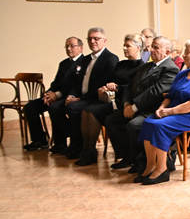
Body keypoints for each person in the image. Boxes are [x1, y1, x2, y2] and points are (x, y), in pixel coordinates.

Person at [136, 39, 190, 185]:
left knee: (159, 126)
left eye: (188, 53)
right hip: (174, 112)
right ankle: (150, 165)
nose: (183, 55)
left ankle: (162, 169)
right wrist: (161, 108)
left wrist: (169, 112)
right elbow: (169, 95)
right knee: (148, 122)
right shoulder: (182, 74)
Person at [104, 37, 180, 172]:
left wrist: (134, 107)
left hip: (153, 109)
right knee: (112, 120)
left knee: (135, 125)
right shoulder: (146, 66)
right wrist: (127, 104)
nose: (152, 50)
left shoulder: (171, 69)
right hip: (136, 107)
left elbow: (155, 92)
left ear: (167, 52)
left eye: (156, 48)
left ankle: (142, 162)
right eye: (152, 47)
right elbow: (129, 86)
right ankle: (128, 157)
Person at [74, 33, 147, 166]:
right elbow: (110, 80)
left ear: (137, 48)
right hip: (112, 100)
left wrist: (117, 88)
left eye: (128, 46)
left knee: (94, 112)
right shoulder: (121, 64)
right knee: (86, 111)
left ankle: (94, 153)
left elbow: (135, 89)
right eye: (124, 45)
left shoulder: (142, 67)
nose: (124, 48)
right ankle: (87, 149)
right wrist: (104, 87)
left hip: (125, 102)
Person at [63, 27, 119, 159]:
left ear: (104, 41)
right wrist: (71, 95)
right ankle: (78, 146)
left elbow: (101, 84)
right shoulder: (86, 59)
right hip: (83, 97)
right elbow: (78, 82)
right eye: (90, 39)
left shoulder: (111, 58)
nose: (92, 41)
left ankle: (84, 147)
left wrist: (79, 99)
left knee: (74, 108)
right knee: (60, 106)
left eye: (96, 38)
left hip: (96, 98)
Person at [23, 36, 84, 152]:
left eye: (72, 46)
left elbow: (76, 85)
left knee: (54, 108)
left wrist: (58, 95)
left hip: (70, 96)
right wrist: (48, 94)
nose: (69, 49)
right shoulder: (63, 63)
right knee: (30, 107)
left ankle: (63, 141)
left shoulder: (84, 62)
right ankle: (40, 140)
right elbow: (56, 82)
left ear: (81, 48)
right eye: (67, 46)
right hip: (55, 95)